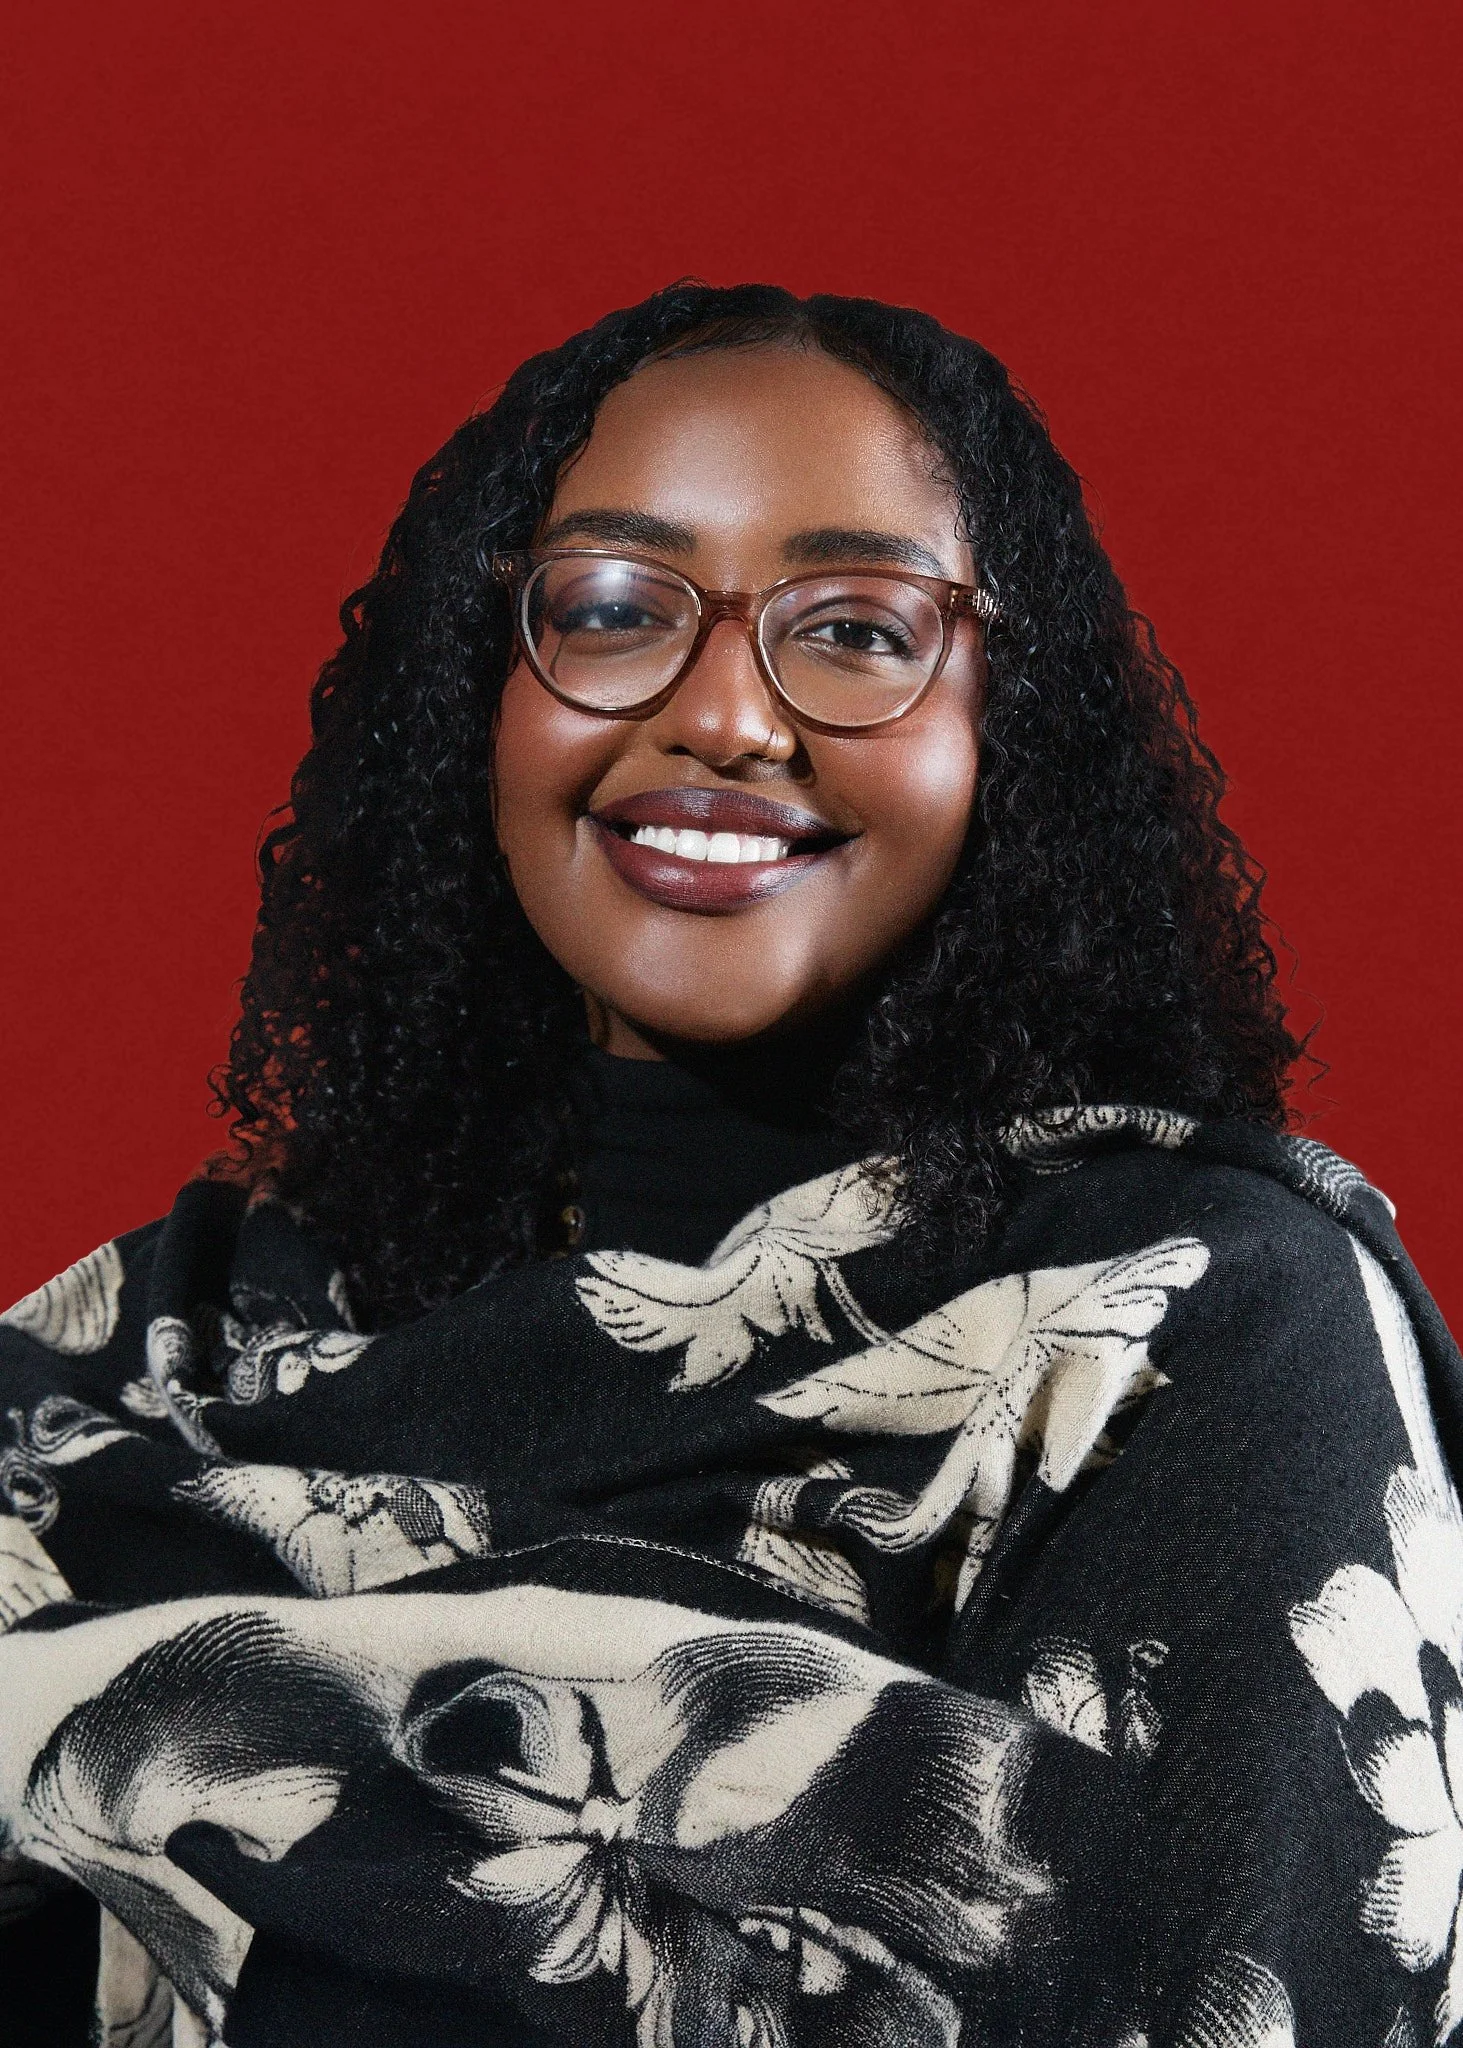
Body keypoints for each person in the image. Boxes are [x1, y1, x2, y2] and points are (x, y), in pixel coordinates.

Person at [2, 282, 1459, 2048]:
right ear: (482, 690)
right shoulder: (165, 1349)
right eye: (614, 607)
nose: (725, 718)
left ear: (1012, 720)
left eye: (853, 630)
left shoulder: (1189, 1337)